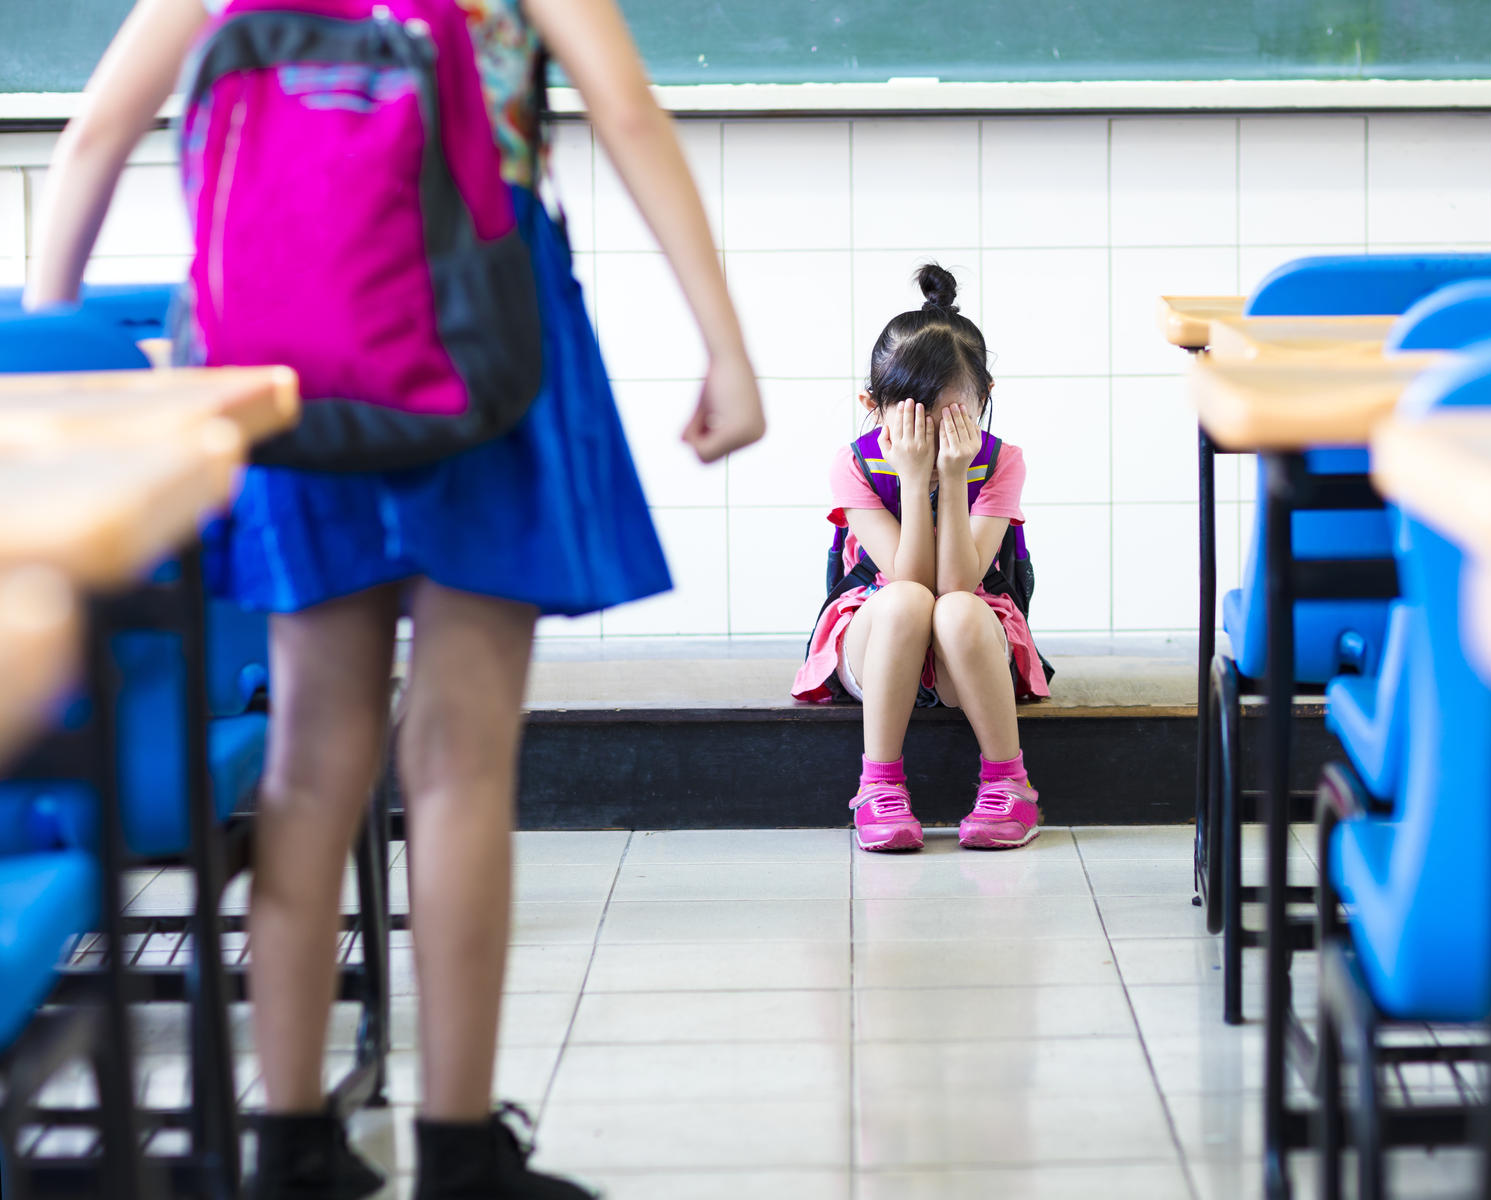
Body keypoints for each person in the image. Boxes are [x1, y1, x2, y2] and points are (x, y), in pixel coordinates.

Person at [27, 0, 763, 1195]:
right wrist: (724, 348)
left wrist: (57, 375)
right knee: (461, 761)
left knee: (307, 768)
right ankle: (461, 1154)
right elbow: (626, 110)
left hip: (287, 366)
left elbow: (98, 133)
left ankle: (292, 1146)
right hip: (486, 348)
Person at [793, 263, 1050, 853]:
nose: (930, 441)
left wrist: (953, 478)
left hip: (968, 644)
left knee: (957, 607)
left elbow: (961, 583)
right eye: (912, 421)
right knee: (907, 597)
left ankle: (1009, 786)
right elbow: (910, 583)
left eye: (951, 420)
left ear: (984, 400)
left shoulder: (1000, 461)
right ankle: (879, 786)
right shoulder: (854, 464)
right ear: (872, 405)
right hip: (884, 633)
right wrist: (914, 480)